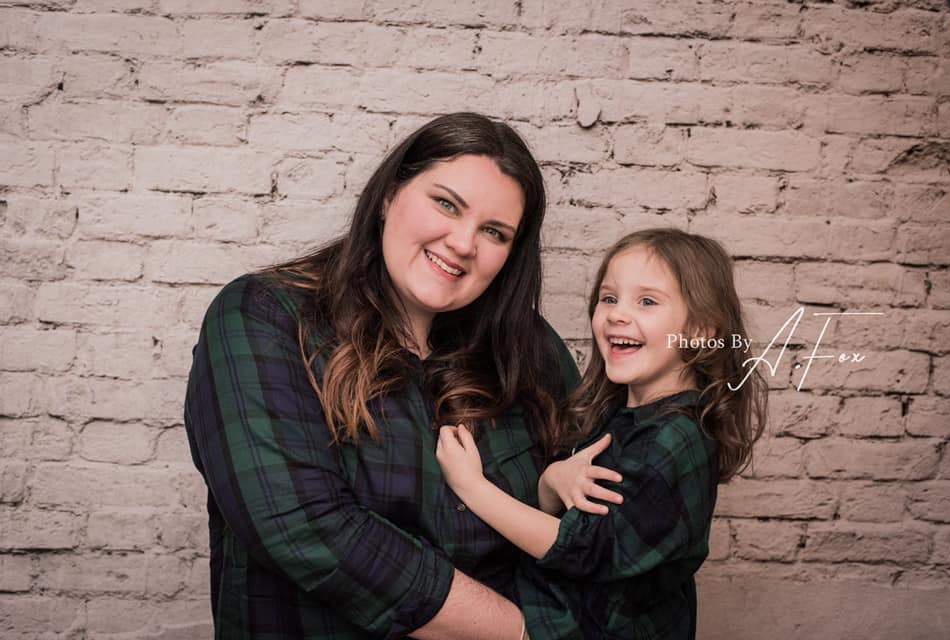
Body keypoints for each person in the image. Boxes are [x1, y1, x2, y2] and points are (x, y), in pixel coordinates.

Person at [183, 112, 581, 639]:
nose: (464, 243)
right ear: (391, 193)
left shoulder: (530, 350)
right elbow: (304, 528)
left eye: (494, 232)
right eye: (446, 203)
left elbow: (596, 525)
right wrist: (521, 631)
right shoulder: (264, 318)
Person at [437, 228, 768, 640]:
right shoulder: (614, 411)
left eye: (646, 302)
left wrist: (472, 488)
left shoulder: (678, 437)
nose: (616, 314)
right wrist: (550, 484)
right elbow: (579, 514)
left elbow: (586, 548)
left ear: (700, 330)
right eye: (609, 298)